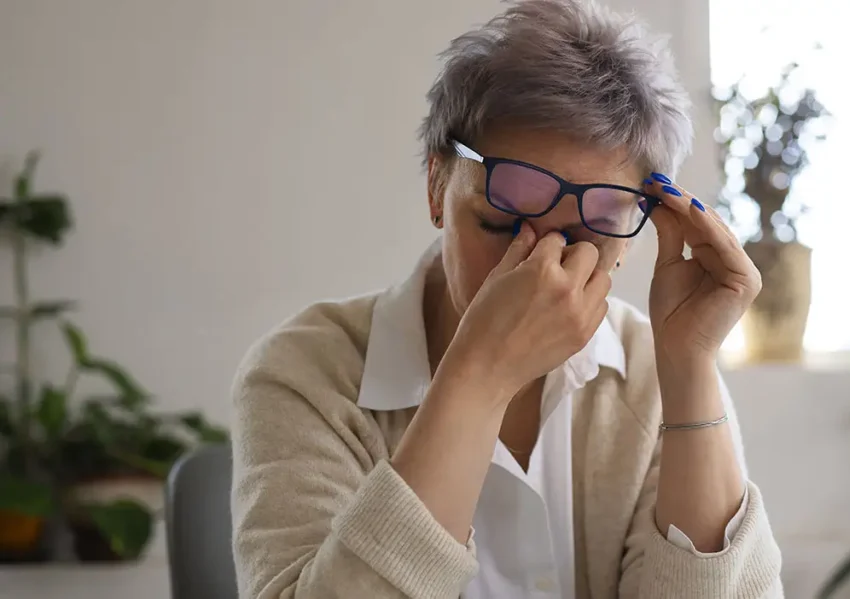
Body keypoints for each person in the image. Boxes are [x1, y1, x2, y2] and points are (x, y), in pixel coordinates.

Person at [230, 0, 783, 597]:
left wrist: (691, 364)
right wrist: (480, 376)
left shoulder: (652, 372)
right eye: (501, 223)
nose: (540, 271)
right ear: (438, 186)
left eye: (585, 237)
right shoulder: (305, 374)